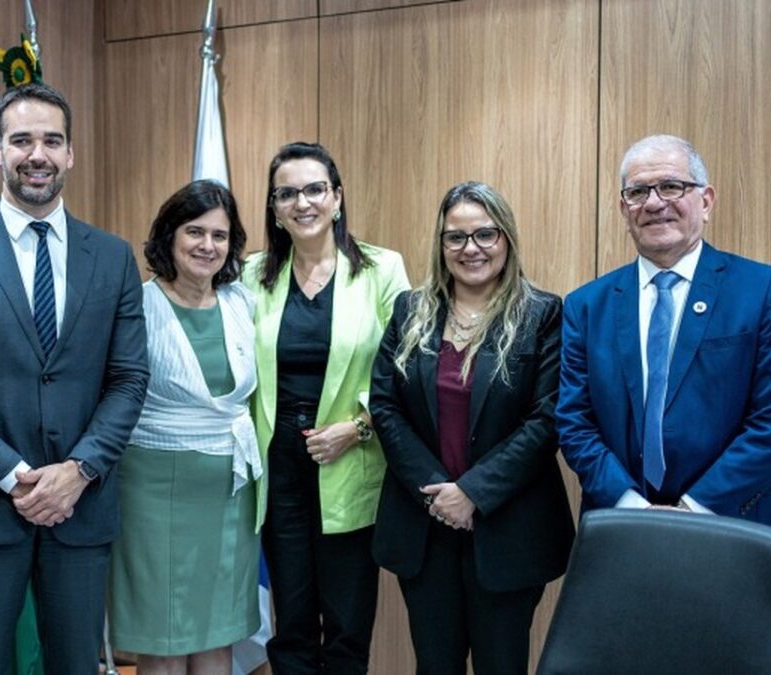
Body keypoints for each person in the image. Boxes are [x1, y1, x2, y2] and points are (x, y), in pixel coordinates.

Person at [0, 83, 148, 674]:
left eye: (52, 141)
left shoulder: (112, 257)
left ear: (70, 153)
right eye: (21, 141)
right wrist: (16, 478)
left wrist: (79, 470)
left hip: (81, 509)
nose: (37, 154)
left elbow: (128, 378)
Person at [369, 181, 574, 674]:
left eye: (485, 234)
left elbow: (547, 419)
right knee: (434, 665)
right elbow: (385, 406)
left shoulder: (542, 314)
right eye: (456, 237)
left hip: (507, 529)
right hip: (426, 526)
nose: (471, 249)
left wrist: (473, 494)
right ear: (441, 245)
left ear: (506, 238)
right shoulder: (410, 310)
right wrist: (439, 495)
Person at [243, 141, 409, 674]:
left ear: (337, 197)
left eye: (315, 189)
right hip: (278, 468)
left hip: (350, 459)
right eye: (286, 194)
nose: (302, 203)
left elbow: (404, 368)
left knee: (346, 626)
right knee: (291, 624)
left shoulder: (382, 269)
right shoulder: (251, 275)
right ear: (274, 208)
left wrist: (357, 427)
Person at [557, 134, 771, 523]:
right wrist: (634, 508)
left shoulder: (760, 291)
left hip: (729, 525)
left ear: (706, 201)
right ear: (624, 209)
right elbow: (575, 422)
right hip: (622, 525)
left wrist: (692, 509)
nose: (654, 203)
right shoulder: (586, 306)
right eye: (638, 192)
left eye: (671, 186)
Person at [108, 180, 262, 675]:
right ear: (169, 236)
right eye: (195, 231)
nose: (207, 245)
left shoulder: (243, 303)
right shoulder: (138, 305)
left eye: (220, 235)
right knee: (166, 637)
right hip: (153, 492)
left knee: (219, 634)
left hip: (230, 491)